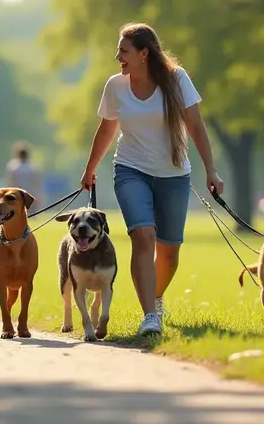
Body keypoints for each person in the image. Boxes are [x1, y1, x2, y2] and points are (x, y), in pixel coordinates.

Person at [80, 22, 224, 337]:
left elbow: (196, 127)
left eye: (124, 50)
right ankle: (149, 315)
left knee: (169, 250)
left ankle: (155, 298)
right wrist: (91, 168)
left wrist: (211, 170)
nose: (118, 56)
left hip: (174, 174)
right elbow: (107, 129)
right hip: (131, 169)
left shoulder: (177, 80)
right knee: (143, 237)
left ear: (144, 53)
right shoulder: (115, 86)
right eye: (119, 50)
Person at [5, 141, 43, 208]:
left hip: (17, 193)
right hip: (28, 193)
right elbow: (35, 182)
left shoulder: (13, 166)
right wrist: (37, 194)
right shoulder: (31, 167)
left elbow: (10, 182)